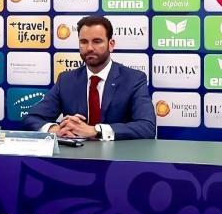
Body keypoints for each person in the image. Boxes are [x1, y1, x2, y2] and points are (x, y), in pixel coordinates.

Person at [25, 15, 155, 140]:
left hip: (118, 154)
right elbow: (32, 119)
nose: (89, 48)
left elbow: (147, 126)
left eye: (97, 41)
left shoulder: (134, 79)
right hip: (75, 154)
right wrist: (55, 129)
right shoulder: (66, 80)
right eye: (84, 42)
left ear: (111, 44)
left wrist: (95, 131)